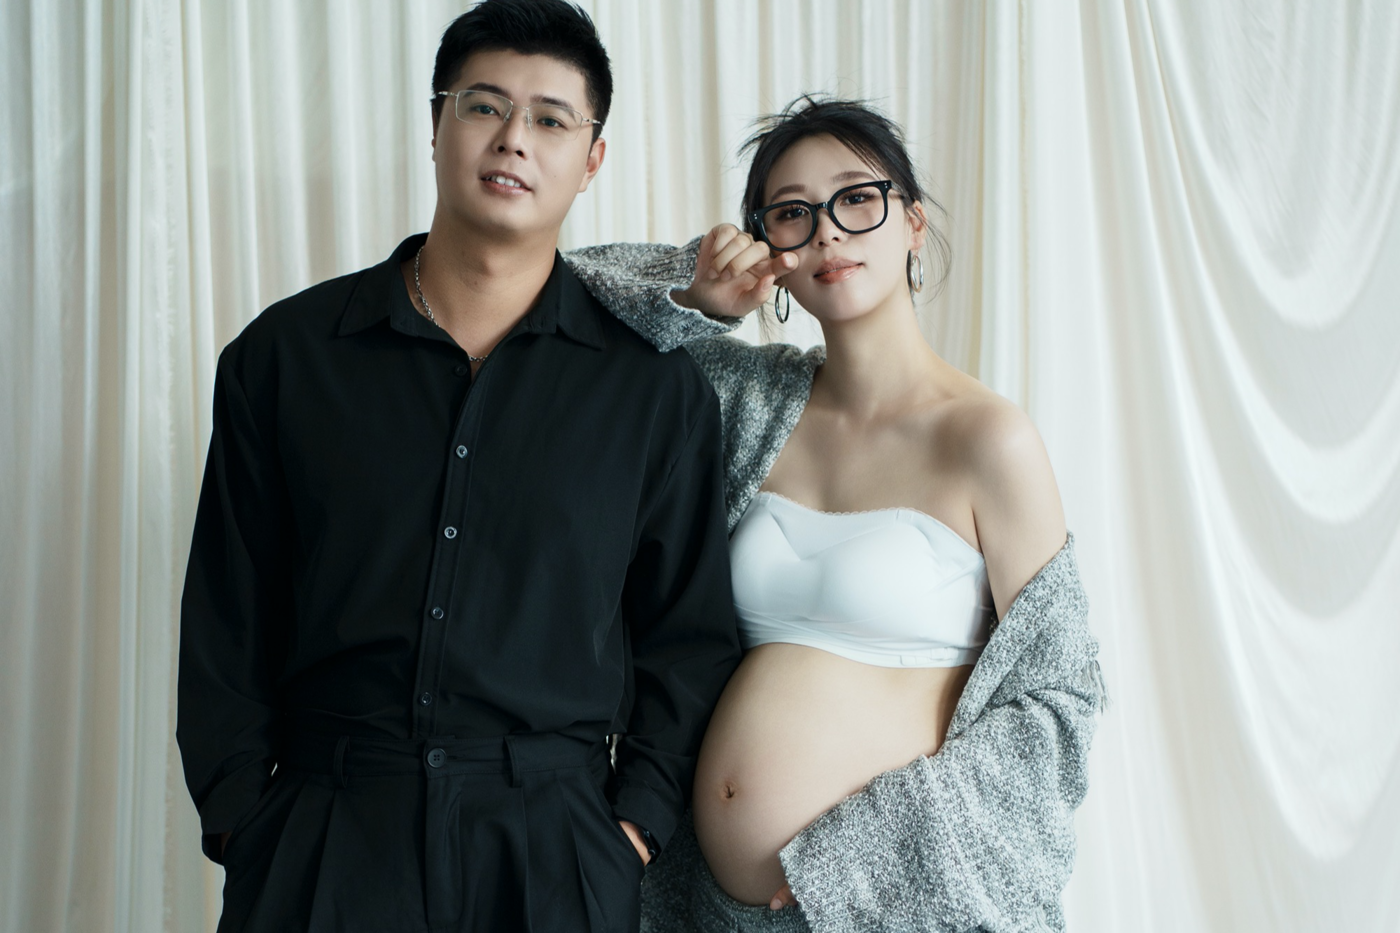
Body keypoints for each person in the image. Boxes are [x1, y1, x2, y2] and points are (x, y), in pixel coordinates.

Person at [176, 3, 741, 931]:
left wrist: (632, 827)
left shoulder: (655, 389)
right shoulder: (286, 356)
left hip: (554, 848)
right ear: (435, 124)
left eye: (551, 119)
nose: (514, 138)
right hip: (326, 832)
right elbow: (228, 611)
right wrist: (247, 817)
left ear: (592, 159)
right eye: (484, 106)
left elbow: (688, 634)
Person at [565, 97, 1105, 932]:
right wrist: (695, 289)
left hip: (892, 903)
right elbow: (567, 301)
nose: (826, 231)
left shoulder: (988, 439)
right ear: (768, 249)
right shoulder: (746, 398)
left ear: (913, 223)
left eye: (857, 198)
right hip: (711, 909)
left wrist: (869, 852)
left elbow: (1059, 699)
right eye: (792, 213)